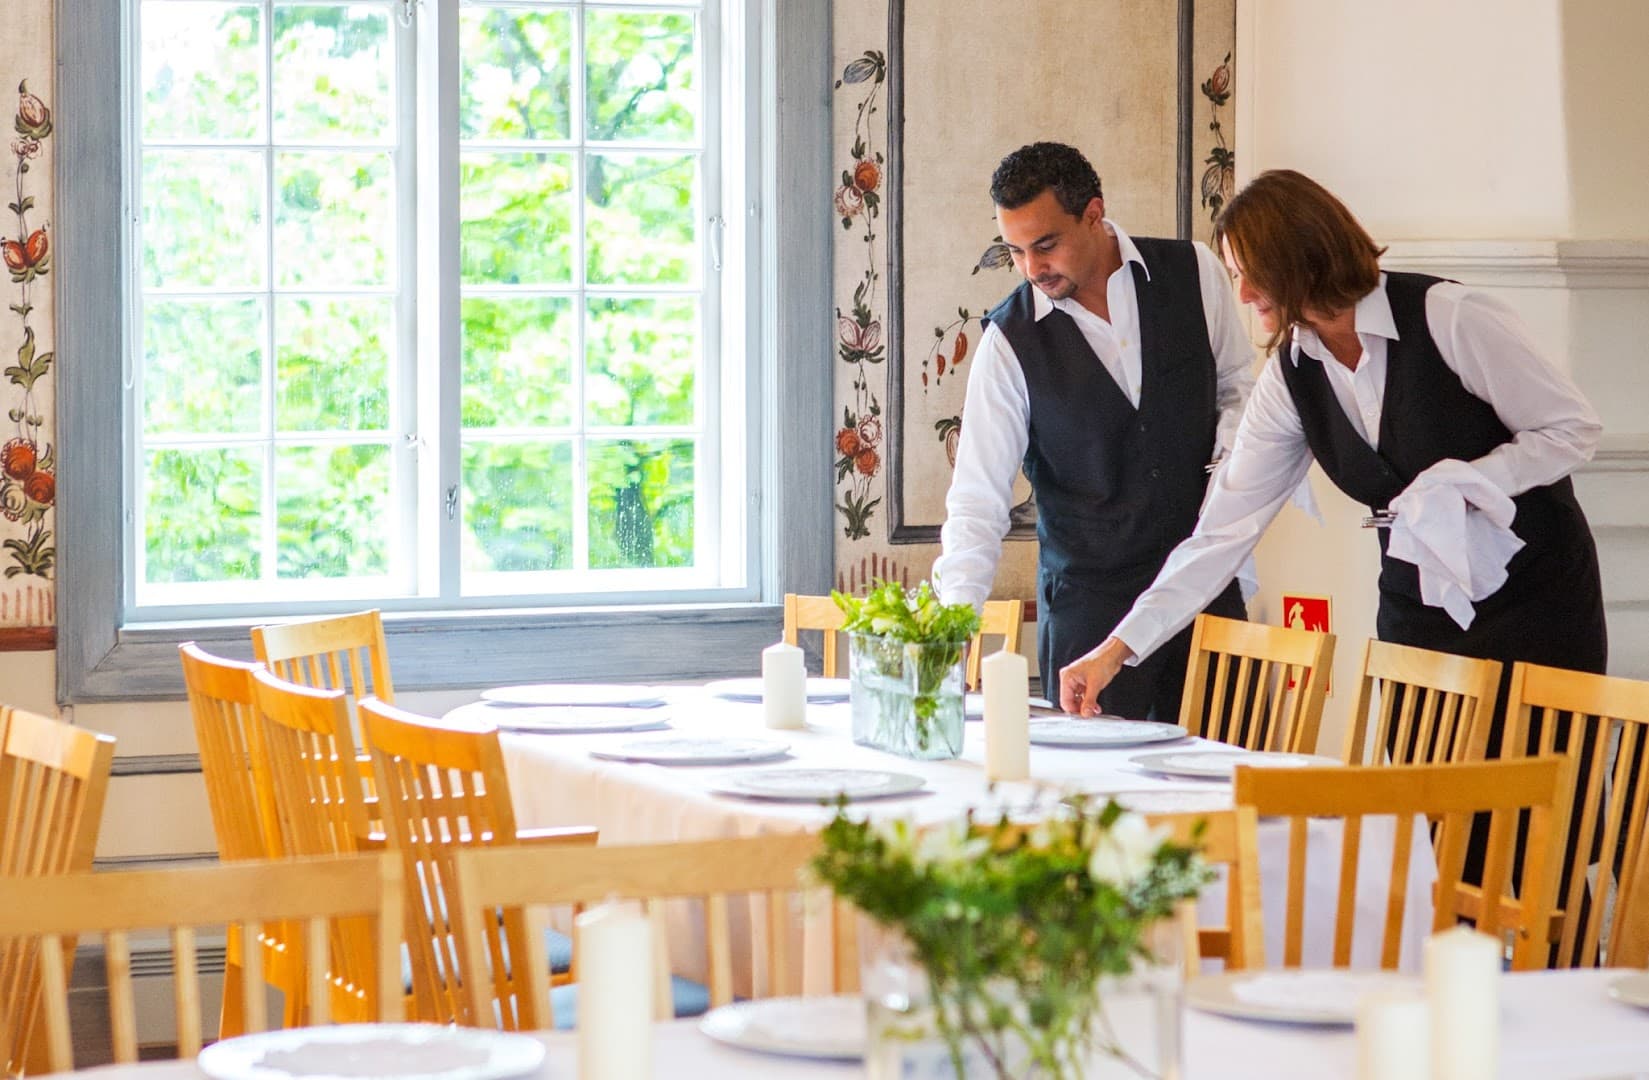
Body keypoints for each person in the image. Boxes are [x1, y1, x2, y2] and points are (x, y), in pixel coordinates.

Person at [1060, 167, 1607, 721]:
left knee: (1557, 796)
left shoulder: (1449, 316)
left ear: (1306, 256)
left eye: (1254, 275)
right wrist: (1116, 651)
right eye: (1234, 276)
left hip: (1537, 598)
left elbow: (1572, 428)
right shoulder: (1291, 377)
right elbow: (1221, 534)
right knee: (1431, 797)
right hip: (1418, 608)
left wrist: (1471, 481)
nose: (1244, 295)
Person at [932, 141, 1255, 721]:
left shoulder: (1195, 272)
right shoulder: (1008, 342)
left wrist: (1227, 461)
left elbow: (1236, 385)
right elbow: (978, 499)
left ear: (1094, 214)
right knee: (1090, 803)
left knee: (1224, 790)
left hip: (1205, 594)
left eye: (1045, 245)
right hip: (1089, 613)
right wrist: (955, 624)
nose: (1032, 268)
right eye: (1015, 252)